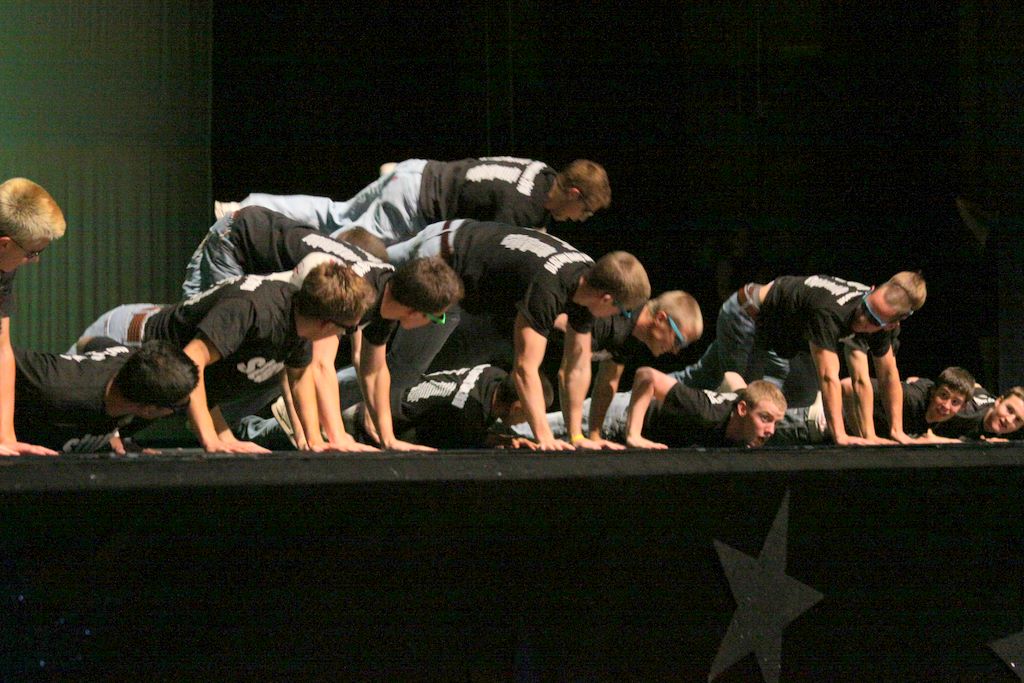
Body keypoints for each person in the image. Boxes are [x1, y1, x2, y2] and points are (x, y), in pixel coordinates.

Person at [380, 219, 650, 451]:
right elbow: (524, 368)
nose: (619, 317)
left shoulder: (585, 282)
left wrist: (577, 436)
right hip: (443, 258)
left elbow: (576, 367)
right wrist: (544, 437)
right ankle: (366, 426)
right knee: (402, 362)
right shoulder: (550, 287)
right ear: (606, 299)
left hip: (456, 253)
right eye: (622, 311)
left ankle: (369, 422)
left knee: (395, 347)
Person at [73, 261, 376, 453]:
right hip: (128, 339)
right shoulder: (253, 310)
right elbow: (191, 361)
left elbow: (299, 378)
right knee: (71, 430)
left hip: (162, 366)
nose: (345, 336)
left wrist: (316, 442)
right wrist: (210, 439)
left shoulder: (298, 326)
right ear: (326, 324)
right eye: (348, 329)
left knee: (101, 441)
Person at [671, 272, 927, 446]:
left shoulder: (880, 324)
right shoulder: (831, 310)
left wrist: (894, 431)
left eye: (873, 319)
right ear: (871, 291)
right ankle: (686, 419)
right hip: (748, 317)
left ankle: (658, 390)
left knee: (801, 394)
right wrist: (839, 434)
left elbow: (881, 376)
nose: (863, 319)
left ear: (891, 324)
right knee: (753, 403)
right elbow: (828, 377)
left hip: (778, 338)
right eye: (866, 309)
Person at [216, 157, 611, 244]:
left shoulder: (541, 172)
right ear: (574, 194)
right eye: (586, 211)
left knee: (334, 213)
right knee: (341, 253)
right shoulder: (521, 210)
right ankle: (249, 234)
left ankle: (244, 208)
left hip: (416, 172)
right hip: (413, 205)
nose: (582, 218)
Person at [13, 341, 198, 453]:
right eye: (179, 407)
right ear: (149, 410)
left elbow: (88, 341)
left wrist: (110, 438)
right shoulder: (53, 387)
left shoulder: (131, 360)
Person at [576, 290, 703, 449]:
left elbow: (607, 381)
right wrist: (574, 435)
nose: (676, 351)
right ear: (660, 318)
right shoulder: (612, 318)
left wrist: (595, 436)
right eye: (678, 341)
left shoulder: (631, 336)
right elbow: (571, 370)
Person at [181, 205, 391, 298]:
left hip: (246, 233)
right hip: (235, 238)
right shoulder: (324, 271)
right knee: (210, 319)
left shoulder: (343, 261)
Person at [0, 177, 68, 456]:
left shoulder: (4, 266)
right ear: (4, 244)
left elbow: (2, 349)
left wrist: (6, 437)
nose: (35, 260)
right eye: (32, 253)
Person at [338, 364, 548, 450]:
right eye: (530, 415)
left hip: (379, 401)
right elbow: (462, 435)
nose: (531, 421)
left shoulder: (493, 375)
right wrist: (502, 440)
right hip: (365, 424)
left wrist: (506, 440)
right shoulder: (465, 416)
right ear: (516, 408)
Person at [772, 366, 976, 445]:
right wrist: (862, 435)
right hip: (812, 421)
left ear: (962, 407)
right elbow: (848, 385)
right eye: (943, 396)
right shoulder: (909, 398)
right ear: (934, 392)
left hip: (822, 437)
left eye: (955, 402)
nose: (946, 406)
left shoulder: (947, 416)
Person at [931, 385, 1024, 441]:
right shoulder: (964, 412)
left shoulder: (1015, 435)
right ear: (999, 401)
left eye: (1018, 419)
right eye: (1009, 410)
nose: (1009, 420)